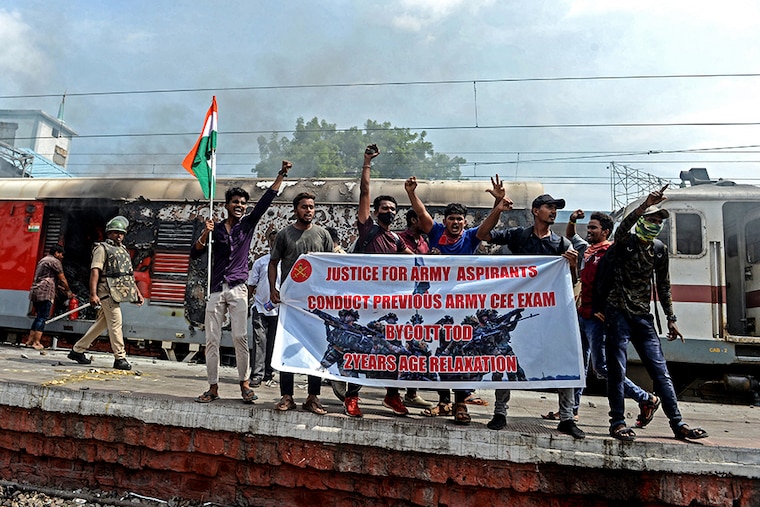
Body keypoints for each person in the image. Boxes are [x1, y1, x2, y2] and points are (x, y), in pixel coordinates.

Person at [477, 188, 585, 439]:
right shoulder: (518, 236)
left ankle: (567, 417)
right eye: (549, 207)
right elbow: (484, 235)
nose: (554, 211)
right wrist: (498, 209)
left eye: (556, 207)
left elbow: (572, 281)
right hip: (520, 309)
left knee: (564, 358)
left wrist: (571, 264)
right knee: (506, 356)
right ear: (536, 211)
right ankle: (500, 412)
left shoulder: (561, 243)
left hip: (551, 314)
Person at [604, 187, 708, 441]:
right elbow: (621, 230)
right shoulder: (624, 243)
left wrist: (671, 318)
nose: (656, 224)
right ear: (641, 221)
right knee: (617, 370)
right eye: (651, 219)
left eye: (659, 221)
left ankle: (678, 423)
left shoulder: (659, 250)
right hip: (618, 312)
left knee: (660, 372)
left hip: (642, 317)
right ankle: (617, 422)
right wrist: (644, 205)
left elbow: (663, 286)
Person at [192, 160, 290, 404]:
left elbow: (266, 201)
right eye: (235, 202)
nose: (239, 206)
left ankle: (244, 384)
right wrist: (206, 232)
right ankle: (213, 388)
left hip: (238, 289)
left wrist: (281, 175)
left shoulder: (247, 225)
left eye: (243, 203)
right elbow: (195, 253)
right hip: (215, 290)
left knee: (240, 338)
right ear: (226, 205)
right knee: (211, 340)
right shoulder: (215, 229)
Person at [404, 174, 495, 425]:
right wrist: (412, 193)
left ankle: (461, 403)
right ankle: (444, 400)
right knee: (437, 350)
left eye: (459, 219)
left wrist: (498, 206)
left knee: (461, 352)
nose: (455, 222)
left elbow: (488, 226)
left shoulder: (471, 237)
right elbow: (422, 215)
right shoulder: (436, 233)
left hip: (462, 307)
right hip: (435, 307)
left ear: (465, 222)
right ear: (445, 221)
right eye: (451, 218)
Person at [561, 210, 657, 427]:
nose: (589, 231)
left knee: (603, 367)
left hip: (597, 318)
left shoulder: (611, 251)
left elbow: (614, 284)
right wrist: (572, 220)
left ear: (605, 231)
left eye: (593, 228)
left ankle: (646, 398)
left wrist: (604, 308)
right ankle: (571, 411)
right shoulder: (587, 249)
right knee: (578, 365)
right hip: (582, 314)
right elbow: (570, 236)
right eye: (589, 228)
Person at [341, 144, 415, 419]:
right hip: (364, 301)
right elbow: (364, 191)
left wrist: (441, 262)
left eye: (393, 209)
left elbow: (418, 261)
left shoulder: (396, 239)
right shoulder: (367, 227)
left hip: (390, 304)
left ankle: (391, 395)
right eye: (385, 207)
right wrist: (367, 162)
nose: (390, 211)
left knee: (395, 349)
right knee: (361, 349)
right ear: (375, 210)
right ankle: (352, 396)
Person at [269, 191, 333, 415]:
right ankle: (287, 396)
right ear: (296, 209)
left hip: (315, 302)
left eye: (312, 207)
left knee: (315, 348)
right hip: (291, 302)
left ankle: (313, 396)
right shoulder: (285, 235)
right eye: (304, 206)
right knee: (287, 348)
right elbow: (273, 263)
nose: (309, 210)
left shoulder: (323, 234)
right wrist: (273, 289)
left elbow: (331, 267)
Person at [67, 216, 144, 370]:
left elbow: (127, 275)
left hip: (117, 291)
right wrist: (93, 294)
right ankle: (120, 358)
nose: (119, 235)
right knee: (116, 323)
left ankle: (77, 350)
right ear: (109, 233)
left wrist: (137, 293)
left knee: (101, 324)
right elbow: (95, 271)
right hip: (106, 291)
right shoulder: (101, 249)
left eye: (121, 233)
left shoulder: (122, 250)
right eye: (116, 232)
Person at [396, 208, 434, 409]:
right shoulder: (399, 239)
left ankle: (411, 392)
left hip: (420, 304)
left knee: (416, 345)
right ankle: (393, 392)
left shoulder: (424, 242)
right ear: (413, 220)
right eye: (422, 218)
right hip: (403, 302)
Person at [247, 229, 279, 388]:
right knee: (260, 340)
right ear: (268, 242)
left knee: (273, 342)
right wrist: (245, 303)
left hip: (279, 311)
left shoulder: (287, 262)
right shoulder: (261, 262)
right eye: (272, 240)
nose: (274, 243)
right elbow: (251, 284)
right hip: (260, 307)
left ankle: (268, 373)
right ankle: (256, 375)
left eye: (277, 240)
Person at [27, 245, 74, 350]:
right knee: (42, 317)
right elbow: (62, 279)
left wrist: (59, 287)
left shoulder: (43, 260)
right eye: (61, 254)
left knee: (38, 316)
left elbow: (47, 277)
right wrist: (68, 291)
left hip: (36, 290)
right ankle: (36, 342)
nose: (62, 257)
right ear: (56, 253)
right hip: (45, 292)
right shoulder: (55, 262)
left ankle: (30, 341)